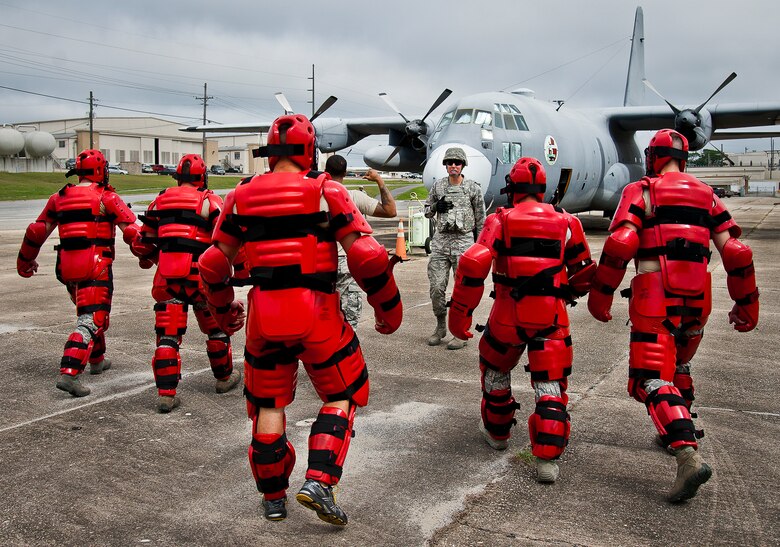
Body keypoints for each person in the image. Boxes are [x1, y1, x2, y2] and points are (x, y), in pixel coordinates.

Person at [198, 114, 403, 525]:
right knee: (342, 395)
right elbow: (367, 255)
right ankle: (320, 482)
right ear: (309, 151)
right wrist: (388, 308)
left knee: (268, 405)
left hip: (264, 315)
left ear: (270, 152)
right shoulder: (326, 190)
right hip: (318, 313)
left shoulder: (241, 195)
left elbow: (212, 263)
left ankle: (274, 498)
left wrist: (223, 310)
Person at [587, 129, 760, 502]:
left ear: (653, 156)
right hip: (698, 298)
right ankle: (681, 426)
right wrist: (747, 303)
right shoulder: (707, 195)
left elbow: (620, 243)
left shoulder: (642, 191)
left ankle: (686, 456)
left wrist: (601, 295)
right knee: (679, 367)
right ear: (683, 158)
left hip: (655, 298)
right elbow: (736, 251)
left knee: (649, 380)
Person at [447, 157, 595, 483]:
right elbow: (585, 272)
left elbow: (474, 263)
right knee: (551, 384)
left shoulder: (500, 219)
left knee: (496, 369)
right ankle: (547, 460)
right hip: (551, 316)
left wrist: (460, 315)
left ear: (512, 189)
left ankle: (498, 435)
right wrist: (567, 292)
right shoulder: (568, 221)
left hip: (507, 315)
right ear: (543, 190)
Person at [17, 149, 141, 397]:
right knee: (92, 319)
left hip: (66, 268)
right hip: (95, 266)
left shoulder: (58, 197)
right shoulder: (107, 197)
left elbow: (37, 231)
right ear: (100, 171)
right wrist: (150, 254)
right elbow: (131, 231)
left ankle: (97, 360)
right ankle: (69, 372)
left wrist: (26, 260)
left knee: (89, 312)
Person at [130, 154, 242, 413]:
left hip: (167, 278)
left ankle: (166, 394)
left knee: (168, 336)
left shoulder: (158, 201)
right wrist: (238, 272)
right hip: (201, 278)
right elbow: (228, 239)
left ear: (178, 177)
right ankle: (224, 378)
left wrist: (151, 258)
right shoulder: (211, 201)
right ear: (202, 177)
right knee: (215, 330)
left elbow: (143, 242)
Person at [424, 146, 486, 349]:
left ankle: (460, 331)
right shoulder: (438, 187)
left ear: (463, 165)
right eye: (449, 162)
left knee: (463, 292)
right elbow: (426, 211)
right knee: (436, 288)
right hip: (441, 243)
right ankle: (441, 327)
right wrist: (435, 207)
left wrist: (481, 247)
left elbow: (481, 219)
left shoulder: (472, 188)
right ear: (445, 165)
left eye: (457, 163)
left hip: (464, 244)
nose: (453, 166)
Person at [325, 154, 397, 329]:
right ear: (345, 173)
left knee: (322, 317)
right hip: (348, 263)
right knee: (349, 322)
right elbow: (390, 210)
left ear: (326, 172)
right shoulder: (353, 196)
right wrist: (379, 180)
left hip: (321, 263)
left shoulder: (315, 197)